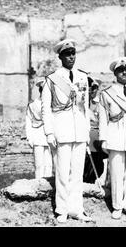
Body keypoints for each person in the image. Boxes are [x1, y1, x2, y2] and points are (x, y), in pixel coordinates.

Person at [41, 38, 92, 223]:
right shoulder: (52, 79)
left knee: (77, 174)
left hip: (79, 132)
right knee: (62, 173)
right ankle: (62, 209)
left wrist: (86, 134)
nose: (71, 57)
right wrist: (49, 132)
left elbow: (85, 108)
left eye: (73, 53)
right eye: (67, 54)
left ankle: (76, 209)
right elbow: (46, 108)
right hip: (61, 131)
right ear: (60, 56)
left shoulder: (82, 77)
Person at [98, 57, 126, 219]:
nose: (124, 72)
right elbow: (103, 118)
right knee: (116, 173)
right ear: (115, 73)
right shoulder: (108, 92)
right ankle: (117, 206)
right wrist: (103, 139)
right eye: (121, 70)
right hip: (115, 136)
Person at [25, 79, 53, 179]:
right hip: (37, 135)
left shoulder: (51, 104)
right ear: (40, 91)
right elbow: (28, 121)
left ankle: (48, 186)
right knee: (39, 164)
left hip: (49, 136)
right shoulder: (32, 105)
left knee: (49, 164)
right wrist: (29, 137)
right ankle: (38, 184)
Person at [83, 77, 107, 184]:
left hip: (95, 140)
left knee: (95, 166)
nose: (92, 91)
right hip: (83, 138)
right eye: (91, 88)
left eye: (94, 89)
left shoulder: (97, 103)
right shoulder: (81, 102)